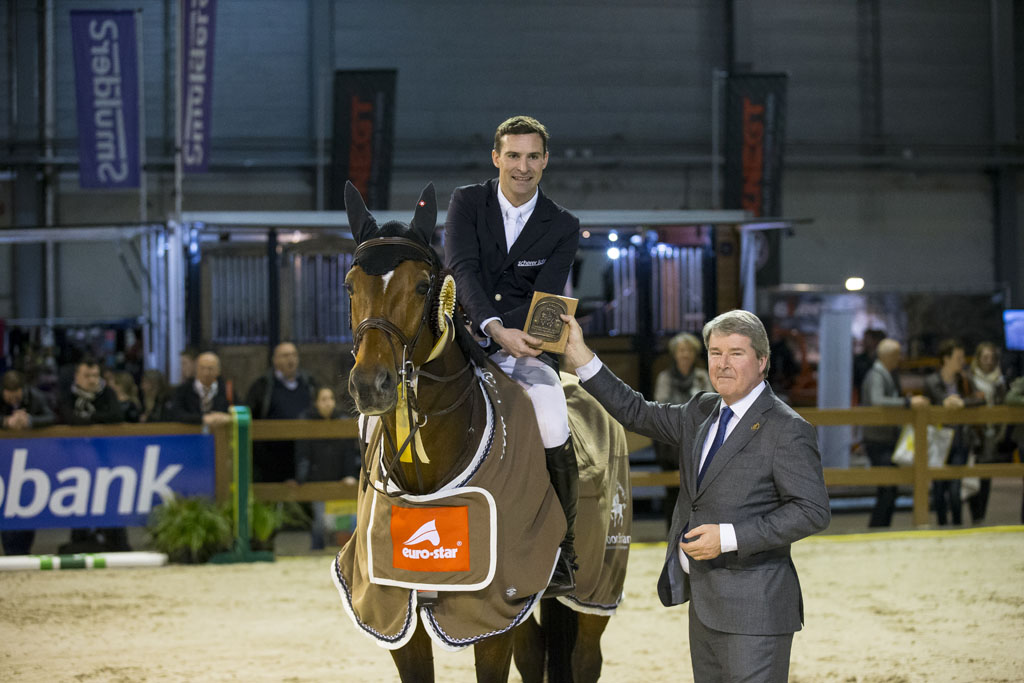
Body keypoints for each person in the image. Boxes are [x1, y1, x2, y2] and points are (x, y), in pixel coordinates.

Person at [561, 308, 830, 682]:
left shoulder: (787, 429)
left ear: (762, 361)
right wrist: (580, 355)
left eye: (736, 353)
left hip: (756, 612)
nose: (722, 363)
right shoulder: (701, 410)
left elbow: (812, 510)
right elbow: (634, 411)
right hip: (704, 605)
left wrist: (729, 537)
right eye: (715, 352)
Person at [444, 114, 582, 595]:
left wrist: (510, 336)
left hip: (528, 344)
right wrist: (491, 327)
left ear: (545, 161)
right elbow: (461, 268)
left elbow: (548, 296)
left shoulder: (563, 225)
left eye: (532, 157)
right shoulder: (467, 202)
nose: (522, 167)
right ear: (496, 158)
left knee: (552, 420)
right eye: (514, 155)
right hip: (465, 337)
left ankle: (564, 551)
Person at [56, 357, 130, 553]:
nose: (92, 380)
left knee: (110, 503)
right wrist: (96, 420)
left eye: (95, 375)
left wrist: (87, 419)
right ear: (77, 377)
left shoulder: (107, 393)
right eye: (87, 376)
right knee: (79, 503)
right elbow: (69, 418)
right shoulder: (67, 395)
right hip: (74, 462)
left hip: (105, 460)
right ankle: (79, 543)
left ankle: (118, 545)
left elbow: (116, 416)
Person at [860, 339, 930, 527]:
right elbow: (877, 400)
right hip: (878, 439)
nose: (900, 359)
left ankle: (881, 527)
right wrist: (906, 403)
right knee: (888, 488)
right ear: (888, 356)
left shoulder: (887, 374)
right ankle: (877, 528)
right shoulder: (877, 375)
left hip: (885, 438)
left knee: (889, 489)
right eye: (897, 355)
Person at [653, 332, 713, 530]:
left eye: (688, 350)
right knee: (672, 492)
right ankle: (671, 532)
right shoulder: (665, 377)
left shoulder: (702, 377)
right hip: (671, 445)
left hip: (698, 443)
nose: (685, 354)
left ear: (694, 354)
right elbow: (661, 407)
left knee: (698, 492)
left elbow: (711, 405)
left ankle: (697, 531)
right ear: (674, 354)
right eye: (681, 350)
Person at [922, 339, 985, 526]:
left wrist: (962, 403)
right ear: (946, 359)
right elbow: (936, 401)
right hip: (939, 441)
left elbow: (980, 399)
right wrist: (948, 401)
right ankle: (942, 526)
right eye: (958, 357)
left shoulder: (965, 379)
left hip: (960, 440)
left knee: (956, 488)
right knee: (939, 488)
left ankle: (957, 525)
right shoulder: (931, 381)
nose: (962, 361)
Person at [295, 386, 360, 550]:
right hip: (317, 480)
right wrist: (301, 478)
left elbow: (349, 453)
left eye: (330, 399)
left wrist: (350, 475)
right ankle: (316, 549)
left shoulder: (342, 421)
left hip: (340, 479)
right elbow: (303, 454)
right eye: (323, 399)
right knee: (319, 521)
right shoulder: (306, 422)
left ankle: (347, 552)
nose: (328, 403)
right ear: (316, 403)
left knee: (346, 521)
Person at [2, 370, 57, 555]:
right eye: (8, 395)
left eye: (16, 394)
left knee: (26, 505)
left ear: (22, 389)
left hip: (30, 462)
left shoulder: (36, 397)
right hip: (4, 463)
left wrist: (30, 421)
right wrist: (5, 422)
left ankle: (23, 552)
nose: (13, 399)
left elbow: (52, 417)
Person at [245, 342, 318, 482]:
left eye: (294, 355)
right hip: (271, 459)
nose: (290, 359)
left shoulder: (309, 383)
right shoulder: (263, 385)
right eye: (285, 355)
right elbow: (249, 416)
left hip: (304, 456)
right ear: (275, 360)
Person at [967, 342, 1008, 522]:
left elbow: (1002, 402)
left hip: (992, 430)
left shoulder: (999, 380)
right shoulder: (970, 378)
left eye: (991, 358)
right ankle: (975, 513)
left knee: (986, 473)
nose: (989, 361)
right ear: (978, 359)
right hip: (975, 430)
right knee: (972, 471)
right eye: (985, 357)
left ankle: (981, 515)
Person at [166, 351, 233, 427]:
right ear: (196, 369)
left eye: (210, 368)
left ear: (218, 371)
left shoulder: (227, 390)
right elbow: (175, 414)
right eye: (202, 368)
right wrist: (202, 418)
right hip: (190, 432)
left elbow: (239, 412)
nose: (206, 373)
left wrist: (228, 417)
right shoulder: (183, 390)